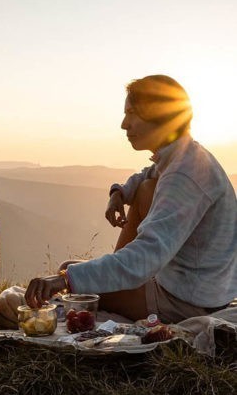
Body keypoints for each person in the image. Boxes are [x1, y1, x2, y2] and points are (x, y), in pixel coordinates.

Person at [25, 75, 236, 323]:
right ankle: (112, 277)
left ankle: (113, 280)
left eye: (132, 113)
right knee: (145, 187)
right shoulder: (185, 157)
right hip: (200, 290)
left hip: (188, 303)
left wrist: (65, 280)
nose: (124, 124)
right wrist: (120, 193)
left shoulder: (184, 176)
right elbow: (149, 173)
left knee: (71, 277)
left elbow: (144, 258)